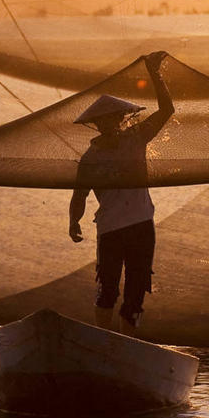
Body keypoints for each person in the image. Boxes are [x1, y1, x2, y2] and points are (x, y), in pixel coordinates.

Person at [68, 51, 174, 336]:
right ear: (97, 125)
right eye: (104, 122)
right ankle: (105, 340)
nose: (110, 125)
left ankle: (127, 341)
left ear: (121, 119)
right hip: (111, 228)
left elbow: (167, 110)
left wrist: (155, 74)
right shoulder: (90, 157)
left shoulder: (136, 137)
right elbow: (79, 195)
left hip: (141, 224)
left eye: (114, 119)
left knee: (137, 288)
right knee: (107, 288)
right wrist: (73, 221)